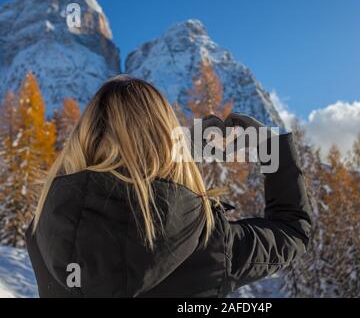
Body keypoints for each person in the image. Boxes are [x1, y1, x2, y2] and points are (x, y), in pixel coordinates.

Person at [25, 75, 312, 297]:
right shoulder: (206, 238)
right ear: (167, 140)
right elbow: (292, 231)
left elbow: (81, 185)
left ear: (83, 139)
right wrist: (272, 148)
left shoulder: (44, 231)